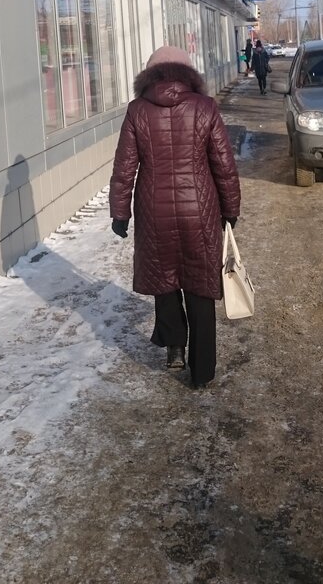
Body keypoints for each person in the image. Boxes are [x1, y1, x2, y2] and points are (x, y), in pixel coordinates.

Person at [109, 45, 241, 390]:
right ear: (188, 73)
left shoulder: (138, 110)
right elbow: (224, 165)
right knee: (200, 285)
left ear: (150, 74)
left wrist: (120, 212)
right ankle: (202, 371)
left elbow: (124, 167)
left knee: (163, 277)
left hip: (155, 211)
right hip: (200, 209)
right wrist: (231, 208)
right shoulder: (205, 107)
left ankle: (174, 345)